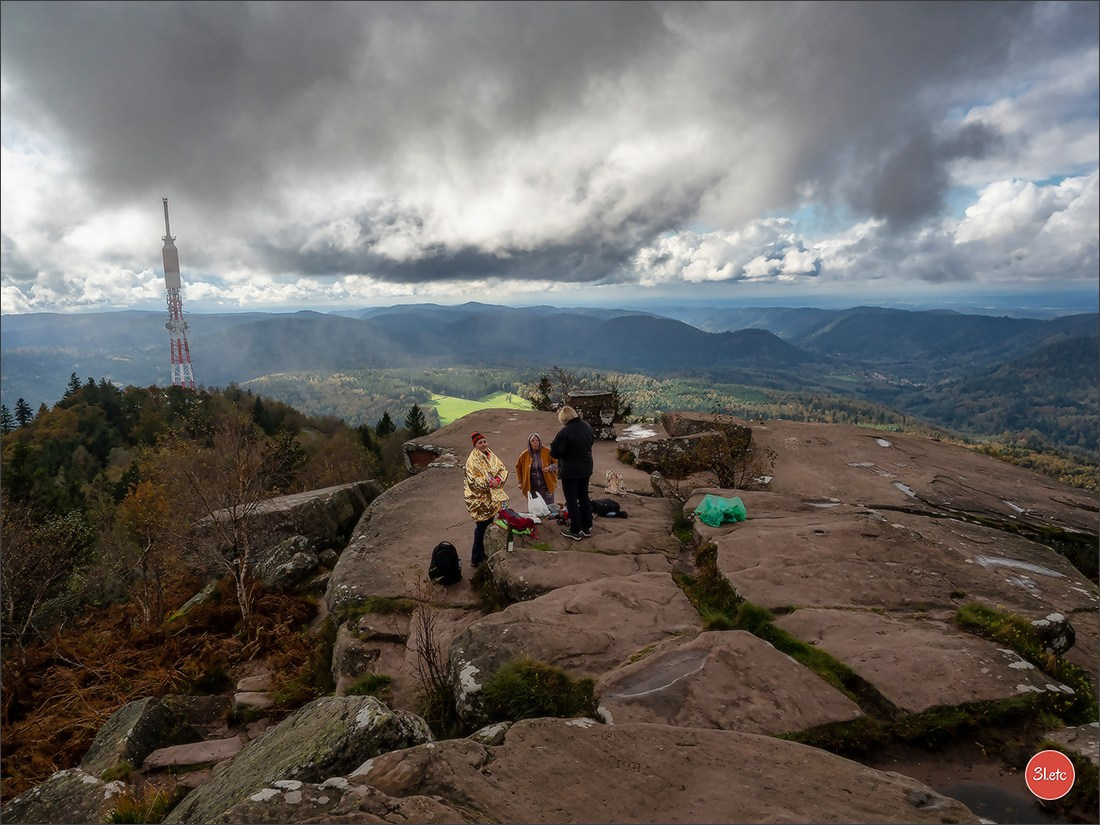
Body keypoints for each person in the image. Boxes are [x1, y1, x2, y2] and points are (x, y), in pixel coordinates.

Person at [463, 431, 509, 567]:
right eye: (480, 442)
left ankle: (484, 553)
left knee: (489, 524)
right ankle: (476, 558)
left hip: (492, 497)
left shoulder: (490, 454)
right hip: (479, 500)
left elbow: (502, 469)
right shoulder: (472, 461)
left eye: (484, 441)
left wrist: (498, 479)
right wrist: (490, 482)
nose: (483, 444)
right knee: (481, 527)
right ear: (475, 445)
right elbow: (473, 481)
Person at [549, 406, 595, 541]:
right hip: (586, 467)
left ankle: (576, 529)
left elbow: (556, 453)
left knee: (571, 500)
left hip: (570, 470)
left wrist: (552, 447)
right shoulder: (587, 427)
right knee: (584, 496)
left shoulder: (564, 433)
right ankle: (587, 526)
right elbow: (591, 442)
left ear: (563, 418)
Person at [515, 432, 558, 508]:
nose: (535, 442)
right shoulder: (524, 455)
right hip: (532, 488)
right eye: (533, 441)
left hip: (546, 487)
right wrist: (520, 482)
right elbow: (518, 467)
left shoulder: (547, 451)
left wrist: (549, 468)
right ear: (529, 443)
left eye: (537, 440)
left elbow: (557, 463)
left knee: (549, 509)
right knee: (535, 509)